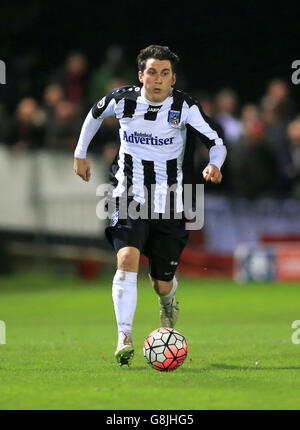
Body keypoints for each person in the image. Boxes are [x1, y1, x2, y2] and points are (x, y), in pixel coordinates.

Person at [73, 45, 226, 366]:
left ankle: (168, 301)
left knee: (161, 282)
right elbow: (94, 114)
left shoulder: (185, 106)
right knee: (126, 257)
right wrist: (80, 153)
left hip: (171, 202)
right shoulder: (123, 100)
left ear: (173, 78)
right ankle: (124, 336)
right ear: (141, 75)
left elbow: (216, 141)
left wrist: (214, 164)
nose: (158, 79)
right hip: (128, 194)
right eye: (152, 72)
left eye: (165, 73)